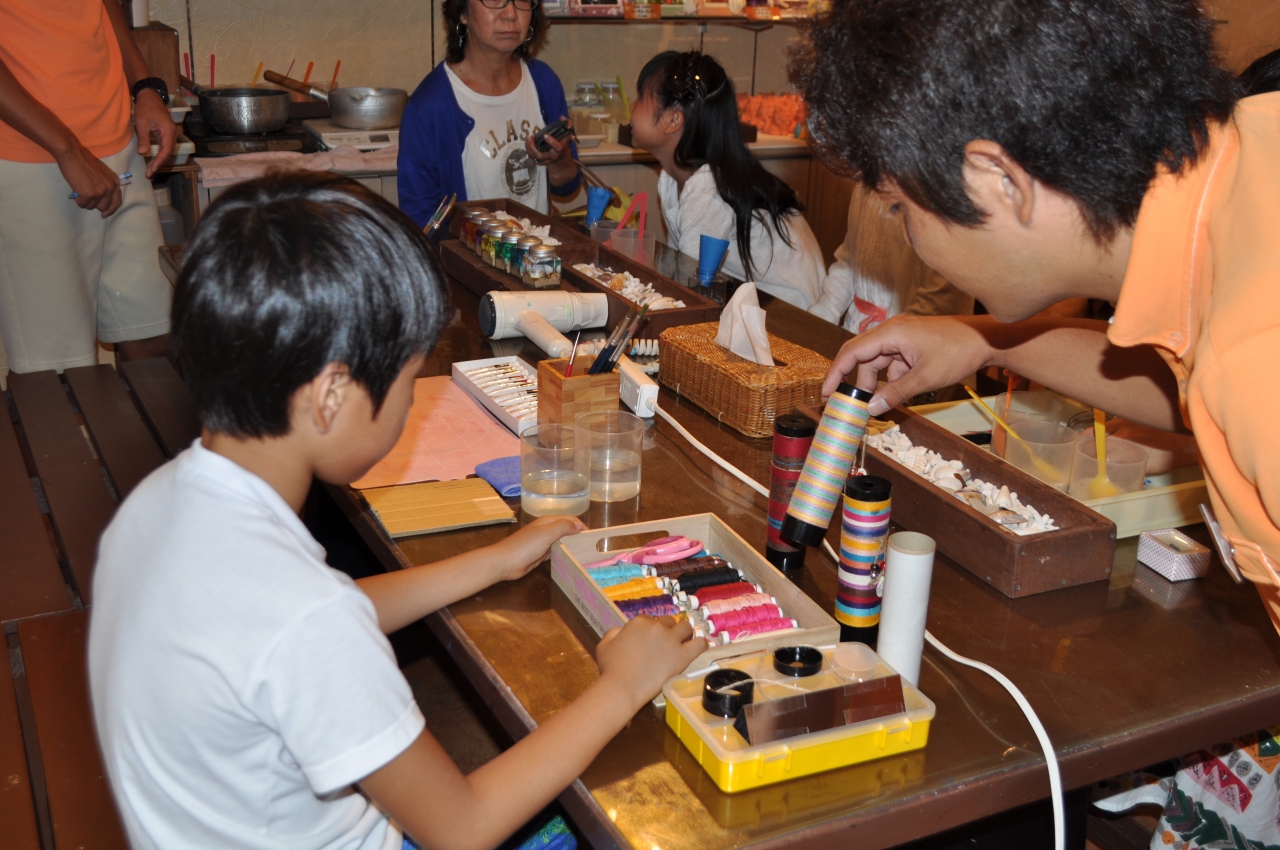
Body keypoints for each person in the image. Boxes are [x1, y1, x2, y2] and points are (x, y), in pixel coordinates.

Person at [88, 172, 704, 850]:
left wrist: (492, 561)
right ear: (330, 395)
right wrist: (623, 685)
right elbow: (461, 827)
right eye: (409, 381)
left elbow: (320, 615)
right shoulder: (305, 620)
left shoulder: (157, 505)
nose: (413, 406)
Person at [792, 0, 1280, 846]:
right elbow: (1186, 379)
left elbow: (1235, 382)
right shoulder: (1249, 149)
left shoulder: (1256, 360)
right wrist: (986, 338)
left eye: (902, 209)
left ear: (998, 180)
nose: (908, 235)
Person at [0, 0, 176, 374]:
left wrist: (145, 86)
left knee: (154, 339)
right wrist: (69, 150)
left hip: (118, 144)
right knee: (56, 374)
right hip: (30, 160)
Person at [629, 50, 826, 310]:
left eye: (640, 98)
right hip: (752, 305)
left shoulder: (706, 190)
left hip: (792, 315)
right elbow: (682, 270)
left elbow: (689, 293)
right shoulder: (671, 179)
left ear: (673, 120)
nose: (631, 107)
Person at [397, 0, 582, 227]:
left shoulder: (543, 82)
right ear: (462, 12)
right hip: (467, 250)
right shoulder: (429, 106)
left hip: (538, 249)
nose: (511, 13)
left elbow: (567, 187)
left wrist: (560, 159)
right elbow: (418, 219)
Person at [809, 184, 973, 332]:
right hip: (858, 328)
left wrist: (891, 338)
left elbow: (935, 304)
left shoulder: (937, 200)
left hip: (911, 337)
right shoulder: (864, 187)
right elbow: (849, 262)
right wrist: (822, 315)